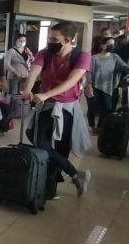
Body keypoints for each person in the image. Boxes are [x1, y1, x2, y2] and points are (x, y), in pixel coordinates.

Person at [22, 21, 92, 200]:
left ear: (68, 40)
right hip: (46, 106)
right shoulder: (45, 53)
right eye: (49, 37)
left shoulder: (81, 56)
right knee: (38, 140)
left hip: (66, 107)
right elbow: (34, 72)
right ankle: (75, 174)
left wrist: (46, 94)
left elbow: (71, 81)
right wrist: (28, 89)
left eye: (54, 39)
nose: (50, 41)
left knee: (61, 149)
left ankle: (49, 189)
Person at [84, 37, 129, 134]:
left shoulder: (115, 57)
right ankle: (91, 126)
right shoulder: (94, 58)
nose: (111, 46)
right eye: (109, 44)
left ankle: (101, 126)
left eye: (113, 44)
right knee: (92, 107)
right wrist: (89, 85)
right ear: (102, 45)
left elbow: (123, 66)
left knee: (107, 108)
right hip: (94, 86)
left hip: (108, 87)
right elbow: (89, 72)